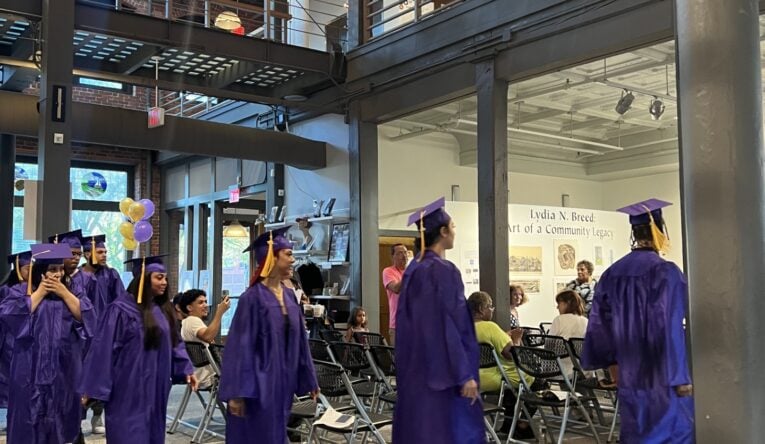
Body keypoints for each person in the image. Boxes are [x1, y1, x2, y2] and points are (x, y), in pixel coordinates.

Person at [582, 198, 693, 443]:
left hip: (628, 371)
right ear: (660, 230)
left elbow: (599, 325)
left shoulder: (612, 273)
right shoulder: (666, 272)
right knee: (671, 431)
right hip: (662, 372)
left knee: (635, 431)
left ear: (634, 233)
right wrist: (680, 377)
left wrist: (612, 366)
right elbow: (669, 325)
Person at [79, 255, 197, 444]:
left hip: (156, 387)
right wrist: (91, 390)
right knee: (129, 435)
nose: (164, 282)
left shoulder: (163, 310)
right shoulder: (119, 310)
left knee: (153, 434)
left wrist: (186, 368)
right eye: (159, 277)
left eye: (165, 278)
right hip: (127, 389)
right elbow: (103, 351)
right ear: (143, 278)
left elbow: (175, 342)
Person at [394, 197, 484, 444]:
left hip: (417, 368)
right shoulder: (443, 270)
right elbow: (447, 325)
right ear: (443, 232)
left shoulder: (414, 270)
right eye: (453, 226)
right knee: (447, 432)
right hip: (443, 375)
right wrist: (464, 373)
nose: (455, 232)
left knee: (420, 431)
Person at [219, 226, 319, 444]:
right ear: (271, 257)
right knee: (257, 436)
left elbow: (300, 342)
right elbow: (239, 347)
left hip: (282, 382)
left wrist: (309, 379)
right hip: (256, 385)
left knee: (275, 434)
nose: (293, 260)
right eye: (289, 254)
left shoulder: (290, 297)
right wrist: (236, 392)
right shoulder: (252, 298)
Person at [0, 243, 95, 443]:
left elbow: (87, 317)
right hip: (29, 372)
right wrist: (41, 292)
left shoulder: (73, 291)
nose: (58, 274)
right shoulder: (19, 291)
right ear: (40, 271)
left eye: (60, 269)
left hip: (63, 372)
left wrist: (64, 293)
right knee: (27, 422)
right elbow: (11, 317)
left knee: (59, 422)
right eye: (52, 269)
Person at [467, 291, 535, 439]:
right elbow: (511, 355)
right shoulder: (490, 327)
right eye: (490, 306)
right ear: (480, 309)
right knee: (535, 381)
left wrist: (503, 335)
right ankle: (521, 424)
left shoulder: (462, 328)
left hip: (470, 378)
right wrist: (516, 339)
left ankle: (508, 426)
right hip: (495, 377)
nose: (492, 310)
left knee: (512, 388)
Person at [179, 288, 231, 389]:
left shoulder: (186, 322)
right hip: (210, 376)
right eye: (201, 302)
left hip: (200, 374)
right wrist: (219, 312)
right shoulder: (193, 320)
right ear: (189, 307)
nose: (206, 305)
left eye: (206, 302)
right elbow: (208, 336)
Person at [0, 250, 31, 410]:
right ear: (18, 269)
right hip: (9, 338)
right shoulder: (7, 289)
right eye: (27, 268)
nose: (31, 271)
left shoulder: (33, 288)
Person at [81, 234, 125, 316]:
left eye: (105, 252)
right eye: (100, 252)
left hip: (106, 324)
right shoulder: (77, 276)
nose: (104, 255)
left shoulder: (111, 275)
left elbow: (120, 301)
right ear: (87, 255)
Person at [549, 290, 588, 377]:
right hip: (584, 370)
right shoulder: (586, 321)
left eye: (559, 303)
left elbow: (549, 346)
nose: (557, 307)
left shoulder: (559, 320)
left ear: (568, 303)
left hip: (561, 370)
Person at [382, 243, 408, 346]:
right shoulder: (388, 271)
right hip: (397, 324)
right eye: (400, 253)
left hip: (413, 323)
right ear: (393, 256)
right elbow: (396, 288)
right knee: (399, 359)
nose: (404, 255)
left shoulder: (412, 272)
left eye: (405, 253)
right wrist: (409, 272)